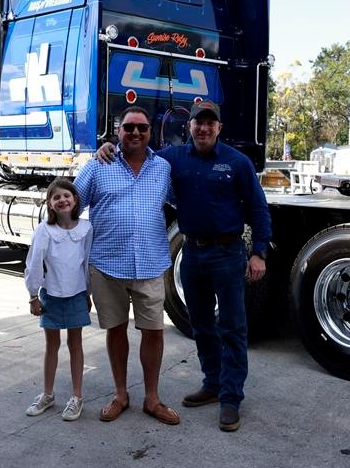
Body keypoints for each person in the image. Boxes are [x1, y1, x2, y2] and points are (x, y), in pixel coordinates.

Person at [96, 100, 272, 432]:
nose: (203, 128)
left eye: (210, 123)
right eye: (198, 123)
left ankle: (231, 397)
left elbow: (258, 207)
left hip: (227, 253)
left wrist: (259, 251)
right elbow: (136, 154)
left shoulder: (237, 162)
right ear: (188, 127)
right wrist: (107, 147)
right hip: (191, 254)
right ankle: (212, 383)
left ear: (219, 128)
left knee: (233, 327)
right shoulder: (171, 159)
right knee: (201, 324)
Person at [73, 106, 181, 426]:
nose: (135, 133)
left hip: (150, 264)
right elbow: (70, 203)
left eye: (142, 128)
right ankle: (121, 395)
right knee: (115, 331)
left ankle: (152, 399)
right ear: (117, 131)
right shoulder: (99, 165)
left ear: (150, 132)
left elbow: (182, 200)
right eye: (129, 127)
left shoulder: (162, 168)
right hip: (107, 266)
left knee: (154, 332)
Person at [23, 178, 93, 422]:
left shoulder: (85, 229)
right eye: (56, 197)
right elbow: (33, 263)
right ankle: (48, 394)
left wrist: (88, 294)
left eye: (67, 195)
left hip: (76, 295)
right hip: (50, 295)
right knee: (51, 346)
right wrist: (33, 295)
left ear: (75, 200)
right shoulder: (44, 230)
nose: (62, 200)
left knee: (76, 345)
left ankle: (76, 397)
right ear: (50, 204)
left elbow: (86, 263)